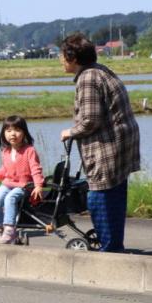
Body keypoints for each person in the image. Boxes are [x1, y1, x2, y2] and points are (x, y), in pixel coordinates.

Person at [58, 33, 141, 253]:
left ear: (72, 57)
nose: (60, 59)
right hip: (120, 145)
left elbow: (90, 120)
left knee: (99, 199)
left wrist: (69, 132)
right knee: (114, 197)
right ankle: (114, 246)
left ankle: (109, 250)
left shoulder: (87, 78)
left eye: (62, 55)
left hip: (107, 148)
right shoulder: (99, 70)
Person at [0, 115, 45, 244]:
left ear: (24, 133)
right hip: (8, 184)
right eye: (8, 131)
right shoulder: (5, 151)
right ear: (3, 134)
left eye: (17, 130)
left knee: (10, 198)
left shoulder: (29, 150)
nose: (13, 134)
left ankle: (9, 230)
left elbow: (36, 169)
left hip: (24, 185)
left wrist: (38, 185)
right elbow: (4, 170)